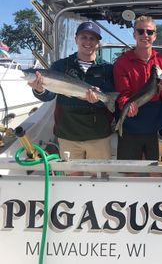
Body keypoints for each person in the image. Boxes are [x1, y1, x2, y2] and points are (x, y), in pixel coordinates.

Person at [28, 21, 115, 174]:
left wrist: (99, 101)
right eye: (84, 37)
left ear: (98, 43)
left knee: (100, 177)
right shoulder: (60, 66)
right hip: (68, 133)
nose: (88, 42)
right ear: (76, 39)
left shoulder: (107, 68)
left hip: (98, 134)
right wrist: (40, 90)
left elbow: (110, 95)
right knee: (72, 178)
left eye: (92, 38)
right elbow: (49, 95)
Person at [113, 15, 162, 160]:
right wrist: (127, 105)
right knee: (130, 173)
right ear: (134, 34)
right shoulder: (122, 62)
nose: (145, 35)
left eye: (149, 32)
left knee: (158, 171)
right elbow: (122, 94)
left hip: (158, 125)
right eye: (140, 31)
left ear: (155, 36)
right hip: (131, 126)